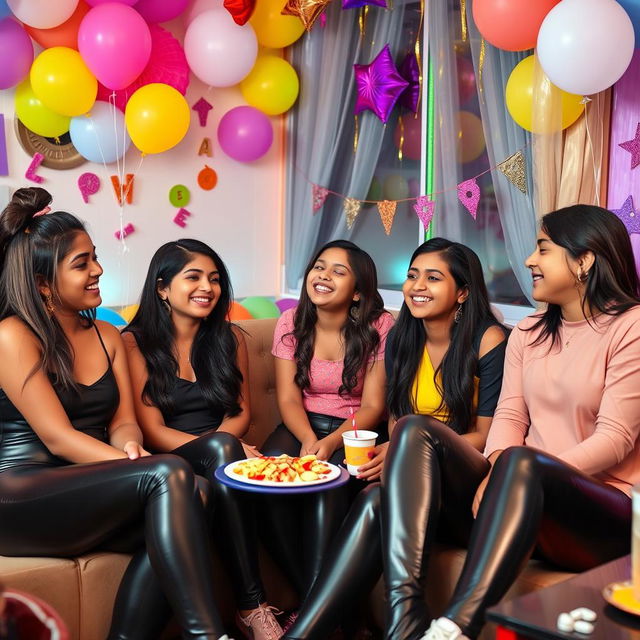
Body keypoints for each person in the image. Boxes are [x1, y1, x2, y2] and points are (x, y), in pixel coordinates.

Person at [0, 188, 232, 640]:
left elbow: (125, 419)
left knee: (199, 495)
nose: (98, 270)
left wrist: (128, 443)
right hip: (21, 493)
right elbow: (58, 439)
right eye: (82, 263)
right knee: (170, 477)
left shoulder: (107, 334)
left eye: (95, 258)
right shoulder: (12, 335)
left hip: (87, 487)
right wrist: (143, 465)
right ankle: (210, 635)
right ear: (44, 283)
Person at [409, 205, 640, 640]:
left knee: (521, 460)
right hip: (521, 487)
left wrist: (521, 473)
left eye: (543, 249)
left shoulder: (632, 327)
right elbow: (510, 416)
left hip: (600, 510)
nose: (530, 260)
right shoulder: (529, 331)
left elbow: (616, 439)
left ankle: (454, 628)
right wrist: (502, 472)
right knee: (411, 436)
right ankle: (404, 623)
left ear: (584, 260)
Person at [284, 237, 507, 640]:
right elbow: (393, 416)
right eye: (412, 276)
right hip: (414, 476)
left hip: (465, 479)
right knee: (371, 497)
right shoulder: (404, 335)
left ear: (463, 292)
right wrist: (402, 452)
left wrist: (408, 449)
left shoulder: (488, 340)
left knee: (414, 431)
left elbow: (488, 437)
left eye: (433, 278)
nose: (417, 286)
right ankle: (311, 633)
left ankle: (400, 618)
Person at [123, 239, 282, 640]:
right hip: (171, 464)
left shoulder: (230, 338)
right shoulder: (133, 343)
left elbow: (241, 413)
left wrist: (223, 448)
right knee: (224, 454)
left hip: (225, 455)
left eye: (214, 279)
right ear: (162, 287)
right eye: (192, 277)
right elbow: (153, 430)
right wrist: (223, 448)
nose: (206, 287)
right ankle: (251, 606)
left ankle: (306, 608)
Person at [261, 239, 394, 604]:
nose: (323, 276)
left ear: (357, 292)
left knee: (328, 489)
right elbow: (288, 398)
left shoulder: (381, 325)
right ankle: (318, 605)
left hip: (355, 430)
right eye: (320, 266)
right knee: (266, 487)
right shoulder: (290, 321)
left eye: (339, 271)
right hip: (300, 424)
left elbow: (372, 405)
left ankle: (315, 615)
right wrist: (307, 440)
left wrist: (332, 442)